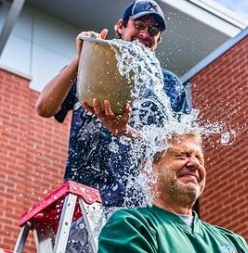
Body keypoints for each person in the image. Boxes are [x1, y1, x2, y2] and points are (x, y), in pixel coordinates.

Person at [35, 0, 189, 208]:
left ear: (158, 39)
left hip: (143, 205)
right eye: (139, 25)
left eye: (153, 30)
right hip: (86, 201)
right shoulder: (94, 63)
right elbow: (44, 107)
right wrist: (81, 58)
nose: (145, 34)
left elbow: (180, 146)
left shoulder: (169, 85)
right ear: (120, 26)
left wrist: (125, 132)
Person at [98, 132, 248, 253]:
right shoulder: (133, 225)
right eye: (182, 155)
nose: (194, 164)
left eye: (199, 159)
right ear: (149, 171)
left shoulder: (234, 242)